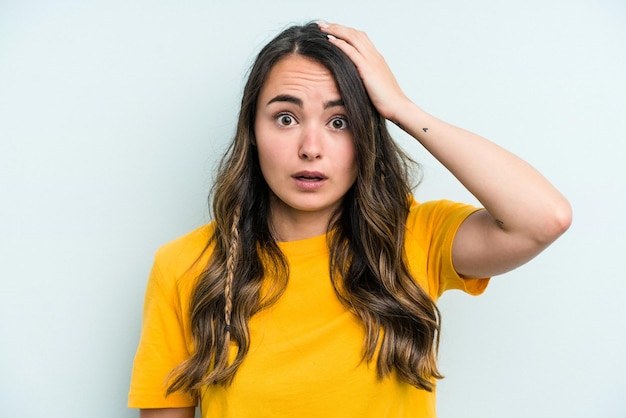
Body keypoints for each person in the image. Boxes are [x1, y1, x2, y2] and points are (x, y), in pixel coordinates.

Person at [128, 21, 571, 418]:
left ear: (366, 133)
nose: (311, 147)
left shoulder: (414, 236)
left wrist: (400, 108)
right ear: (252, 133)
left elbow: (544, 218)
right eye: (286, 118)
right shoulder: (185, 266)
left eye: (339, 122)